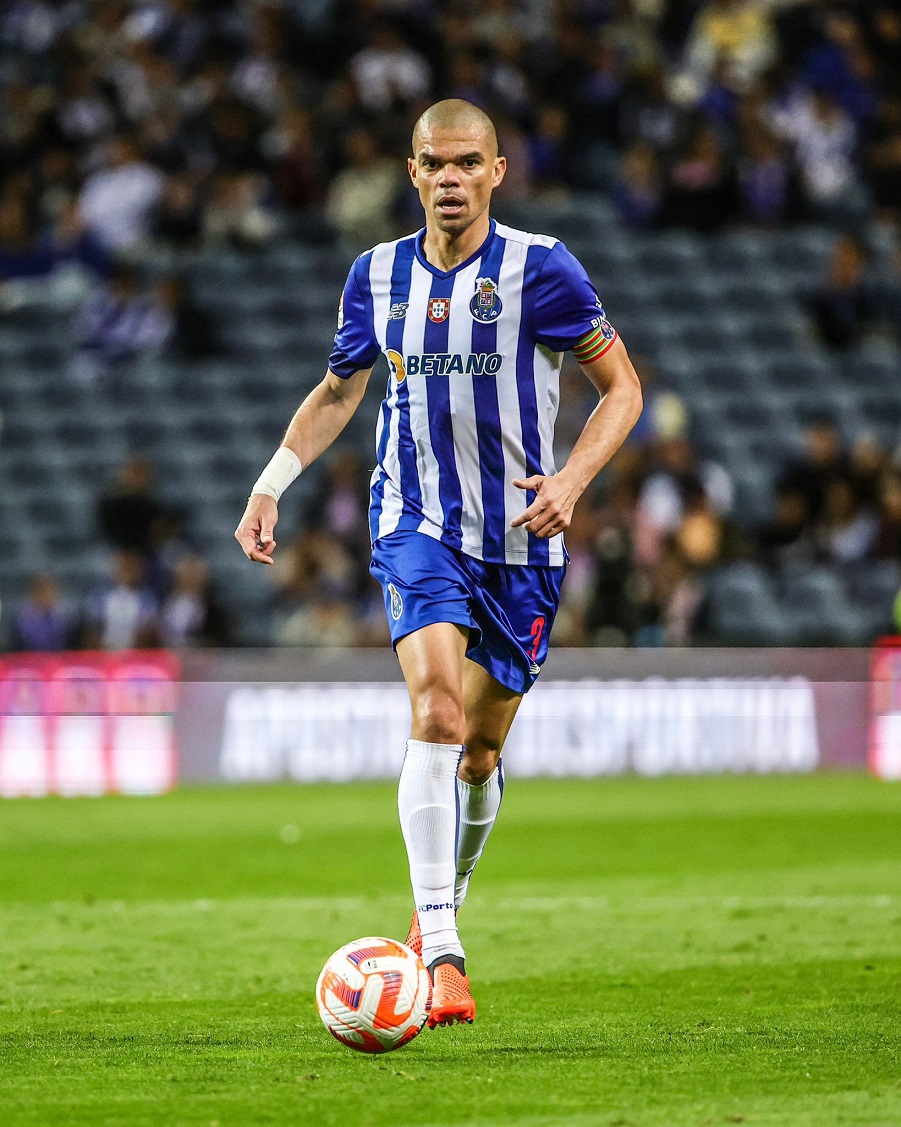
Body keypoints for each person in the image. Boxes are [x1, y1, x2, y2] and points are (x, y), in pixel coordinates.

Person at [235, 99, 643, 1027]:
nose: (450, 178)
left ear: (496, 171)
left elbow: (621, 389)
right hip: (414, 522)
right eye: (434, 163)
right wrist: (269, 484)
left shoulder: (543, 269)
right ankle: (444, 951)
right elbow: (337, 391)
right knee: (438, 709)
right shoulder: (374, 275)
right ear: (411, 172)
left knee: (481, 750)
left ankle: (438, 908)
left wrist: (571, 481)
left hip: (522, 543)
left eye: (467, 162)